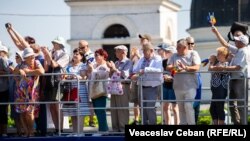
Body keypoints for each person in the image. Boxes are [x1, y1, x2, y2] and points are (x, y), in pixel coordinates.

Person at [211, 25, 249, 125]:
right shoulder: (238, 50)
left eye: (237, 40)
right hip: (234, 79)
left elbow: (238, 67)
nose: (235, 41)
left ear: (242, 43)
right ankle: (237, 123)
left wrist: (222, 68)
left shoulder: (243, 51)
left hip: (240, 80)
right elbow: (225, 44)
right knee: (232, 104)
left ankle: (243, 124)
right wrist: (216, 32)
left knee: (241, 104)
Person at [167, 39, 201, 125]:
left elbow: (197, 67)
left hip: (190, 86)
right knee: (181, 108)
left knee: (188, 106)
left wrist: (185, 67)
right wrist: (175, 67)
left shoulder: (193, 53)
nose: (176, 48)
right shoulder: (174, 55)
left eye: (178, 47)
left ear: (185, 47)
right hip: (178, 86)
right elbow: (168, 67)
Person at [13, 47, 45, 137]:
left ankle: (31, 132)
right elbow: (14, 74)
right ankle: (26, 132)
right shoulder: (20, 64)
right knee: (22, 112)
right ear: (25, 58)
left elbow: (42, 71)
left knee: (30, 112)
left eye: (33, 56)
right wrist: (19, 73)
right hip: (21, 92)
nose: (32, 58)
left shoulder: (37, 62)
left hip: (32, 92)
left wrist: (28, 72)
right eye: (29, 57)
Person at [41, 36, 70, 133]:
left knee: (58, 106)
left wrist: (48, 54)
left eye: (55, 42)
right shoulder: (52, 53)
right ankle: (56, 129)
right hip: (50, 81)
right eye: (53, 42)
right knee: (52, 107)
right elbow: (46, 67)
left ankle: (61, 129)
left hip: (58, 82)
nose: (53, 44)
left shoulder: (65, 54)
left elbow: (54, 65)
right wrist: (46, 54)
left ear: (60, 44)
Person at [131, 43, 163, 125]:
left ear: (151, 51)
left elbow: (159, 70)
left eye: (145, 51)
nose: (144, 53)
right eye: (143, 51)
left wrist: (145, 69)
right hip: (141, 86)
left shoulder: (157, 58)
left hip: (152, 87)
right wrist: (135, 73)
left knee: (150, 108)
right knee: (143, 109)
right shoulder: (142, 59)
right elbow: (135, 69)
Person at [62, 48, 90, 133]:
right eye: (74, 53)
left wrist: (76, 77)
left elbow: (84, 77)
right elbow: (64, 76)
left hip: (80, 91)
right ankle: (74, 132)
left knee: (80, 113)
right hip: (70, 91)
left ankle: (80, 133)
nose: (75, 55)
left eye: (77, 54)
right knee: (72, 113)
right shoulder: (68, 66)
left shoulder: (83, 65)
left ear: (81, 57)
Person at [107, 45, 132, 132]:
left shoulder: (129, 62)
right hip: (114, 88)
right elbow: (111, 76)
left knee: (122, 109)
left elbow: (125, 75)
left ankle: (123, 129)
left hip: (123, 87)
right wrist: (111, 69)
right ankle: (115, 129)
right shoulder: (117, 62)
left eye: (117, 51)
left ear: (124, 52)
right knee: (114, 109)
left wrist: (114, 69)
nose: (115, 53)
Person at [87, 49, 110, 134]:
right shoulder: (96, 65)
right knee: (97, 111)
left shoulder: (105, 66)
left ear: (103, 56)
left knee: (100, 111)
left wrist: (92, 69)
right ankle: (103, 129)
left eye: (97, 55)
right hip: (94, 92)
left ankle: (103, 130)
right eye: (95, 55)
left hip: (101, 92)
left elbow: (101, 76)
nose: (95, 57)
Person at [157, 43, 179, 125]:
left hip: (174, 86)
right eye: (166, 51)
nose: (166, 52)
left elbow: (176, 72)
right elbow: (161, 73)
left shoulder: (176, 61)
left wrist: (171, 77)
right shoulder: (164, 62)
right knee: (165, 107)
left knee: (175, 108)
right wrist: (163, 76)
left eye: (168, 51)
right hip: (165, 85)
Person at [208, 47, 230, 125]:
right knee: (212, 109)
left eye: (219, 54)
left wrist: (212, 63)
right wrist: (212, 61)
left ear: (224, 55)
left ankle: (221, 124)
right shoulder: (217, 63)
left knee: (219, 108)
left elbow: (212, 69)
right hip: (215, 89)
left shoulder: (226, 64)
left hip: (221, 89)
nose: (217, 55)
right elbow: (210, 69)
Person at [78, 40, 96, 127]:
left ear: (87, 46)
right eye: (80, 48)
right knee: (88, 102)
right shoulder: (83, 56)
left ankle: (92, 121)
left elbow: (89, 69)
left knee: (92, 102)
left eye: (83, 47)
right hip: (85, 82)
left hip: (92, 81)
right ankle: (90, 120)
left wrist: (85, 72)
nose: (81, 49)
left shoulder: (91, 55)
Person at [186, 36, 202, 124]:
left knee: (196, 107)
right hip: (186, 83)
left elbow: (197, 67)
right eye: (188, 43)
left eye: (192, 43)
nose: (191, 45)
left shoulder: (195, 53)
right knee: (187, 107)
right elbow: (175, 69)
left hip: (196, 81)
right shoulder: (180, 55)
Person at [0, 43, 11, 137]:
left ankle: (4, 132)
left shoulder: (2, 59)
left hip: (3, 90)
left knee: (3, 111)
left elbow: (8, 73)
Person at [129, 47, 141, 125]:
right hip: (134, 80)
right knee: (135, 101)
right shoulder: (133, 59)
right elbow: (130, 68)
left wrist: (138, 55)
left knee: (141, 101)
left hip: (141, 80)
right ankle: (136, 119)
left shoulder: (142, 56)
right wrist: (132, 57)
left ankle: (143, 119)